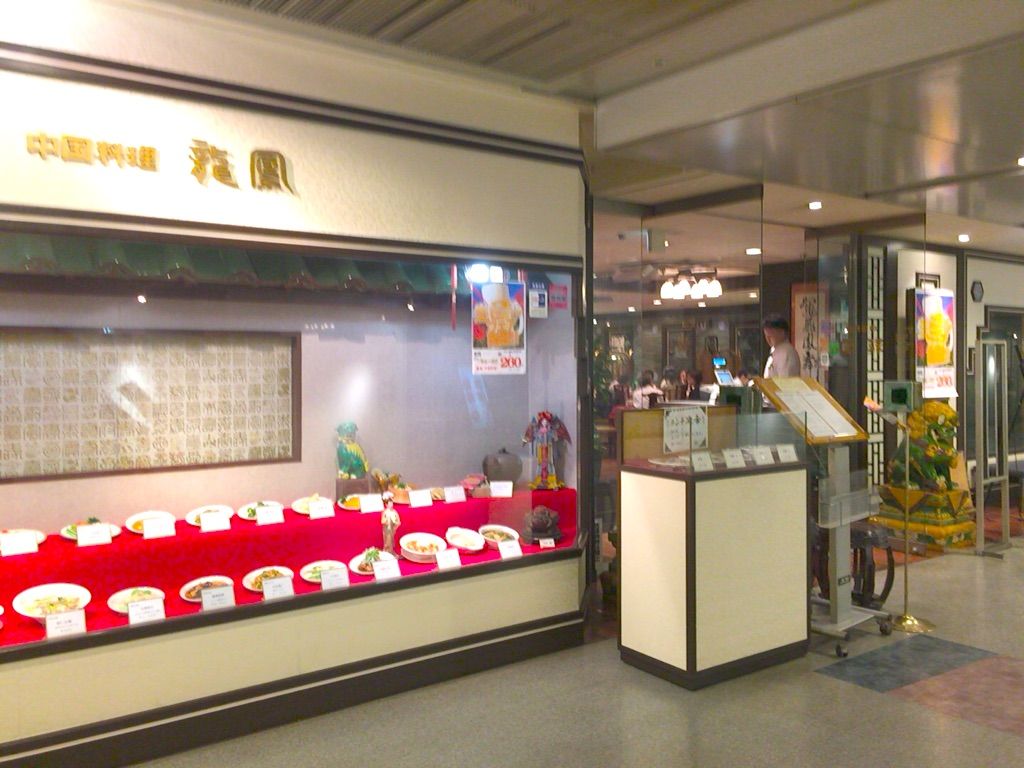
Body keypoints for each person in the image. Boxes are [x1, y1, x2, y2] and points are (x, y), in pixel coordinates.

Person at [762, 315, 801, 379]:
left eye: (770, 336)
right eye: (766, 336)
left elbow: (785, 381)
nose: (768, 339)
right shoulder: (774, 350)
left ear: (782, 332)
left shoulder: (786, 352)